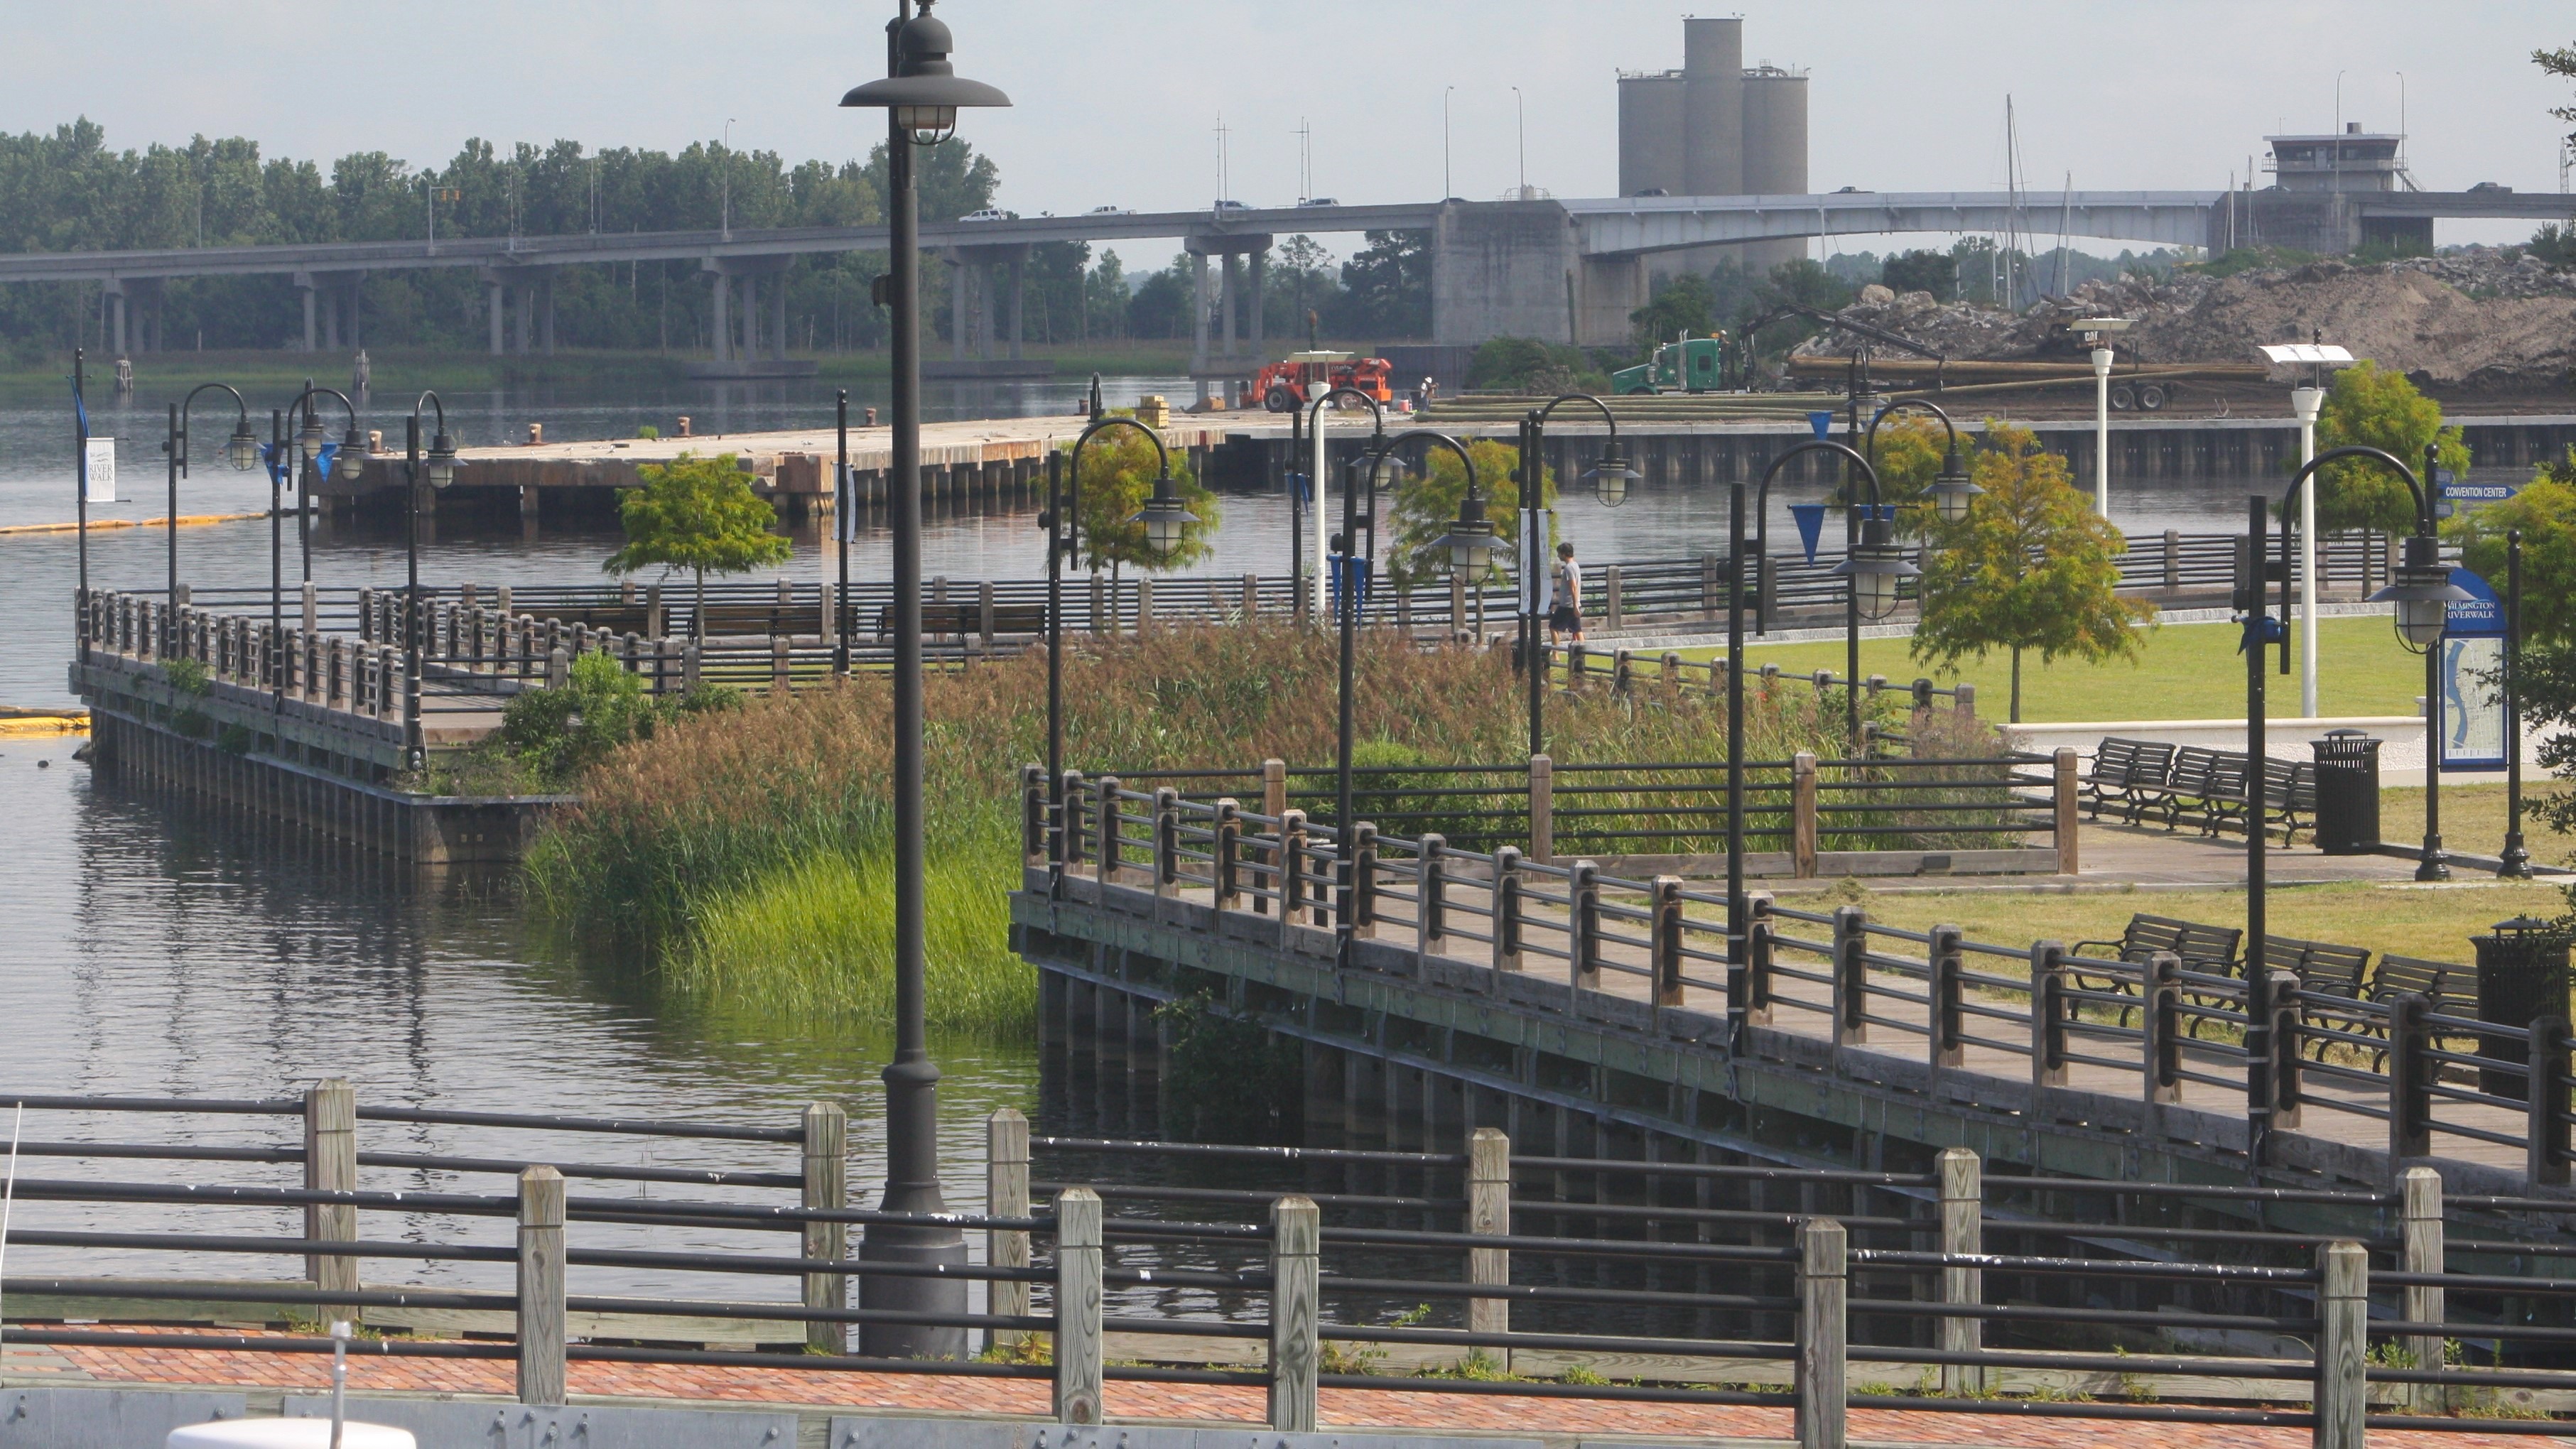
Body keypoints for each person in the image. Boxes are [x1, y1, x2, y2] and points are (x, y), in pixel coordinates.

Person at [1548, 541, 1583, 646]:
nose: (1558, 556)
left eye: (1559, 553)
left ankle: (1556, 653)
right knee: (1577, 630)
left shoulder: (1568, 568)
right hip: (1572, 604)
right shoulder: (1575, 565)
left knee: (1553, 627)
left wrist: (1575, 605)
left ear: (1564, 554)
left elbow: (1573, 587)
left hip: (1567, 605)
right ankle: (1583, 651)